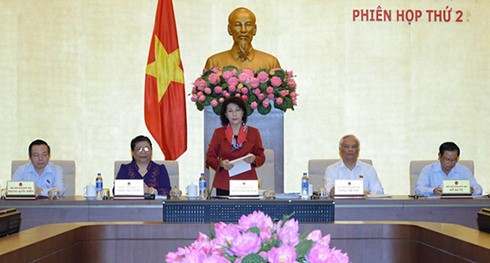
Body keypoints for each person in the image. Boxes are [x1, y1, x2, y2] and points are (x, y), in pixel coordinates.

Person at [206, 97, 266, 196]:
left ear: (243, 112)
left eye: (237, 110)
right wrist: (221, 164)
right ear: (226, 115)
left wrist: (254, 159)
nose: (234, 114)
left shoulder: (253, 132)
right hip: (224, 183)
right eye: (230, 111)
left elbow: (261, 157)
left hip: (248, 184)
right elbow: (209, 158)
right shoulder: (219, 133)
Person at [204, 7, 281, 71]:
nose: (243, 30)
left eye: (248, 25)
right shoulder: (214, 62)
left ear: (254, 29)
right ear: (229, 29)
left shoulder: (271, 63)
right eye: (237, 25)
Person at [415, 142, 482, 197]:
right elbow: (418, 190)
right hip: (434, 208)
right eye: (447, 159)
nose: (450, 163)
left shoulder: (464, 170)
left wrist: (472, 190)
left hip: (458, 207)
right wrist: (433, 190)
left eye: (454, 160)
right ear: (439, 156)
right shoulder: (428, 170)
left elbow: (479, 189)